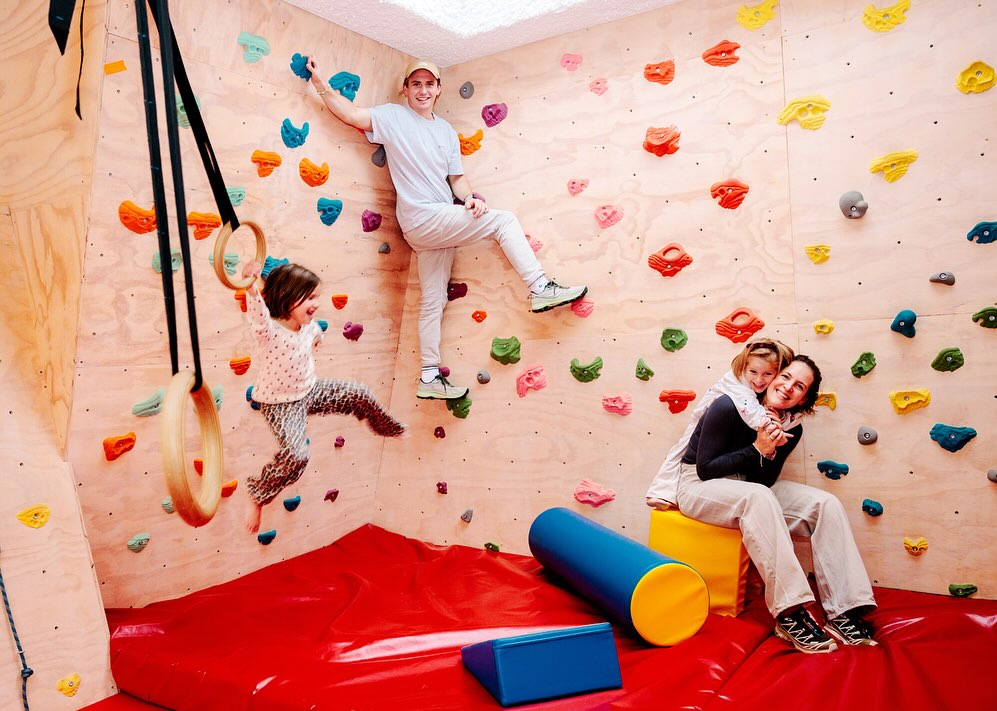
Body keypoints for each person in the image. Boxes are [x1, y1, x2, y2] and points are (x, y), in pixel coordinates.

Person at [306, 56, 588, 400]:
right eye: (416, 84)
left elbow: (456, 178)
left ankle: (428, 375)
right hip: (422, 217)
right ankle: (540, 287)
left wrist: (469, 198)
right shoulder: (393, 117)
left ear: (438, 90)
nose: (422, 90)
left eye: (429, 84)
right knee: (503, 221)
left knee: (433, 301)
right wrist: (320, 83)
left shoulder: (446, 132)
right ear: (405, 89)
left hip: (438, 224)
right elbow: (350, 114)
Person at [674, 356, 877, 653]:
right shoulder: (729, 404)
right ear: (773, 375)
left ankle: (844, 610)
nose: (787, 387)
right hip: (698, 486)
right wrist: (757, 446)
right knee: (757, 497)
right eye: (785, 377)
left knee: (825, 504)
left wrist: (770, 446)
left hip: (747, 485)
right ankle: (789, 612)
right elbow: (706, 468)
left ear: (804, 397)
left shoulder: (791, 426)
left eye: (799, 386)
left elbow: (762, 480)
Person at [242, 260, 405, 533]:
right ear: (287, 297)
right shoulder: (270, 332)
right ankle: (257, 494)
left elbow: (315, 333)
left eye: (317, 296)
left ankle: (386, 426)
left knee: (359, 394)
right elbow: (258, 314)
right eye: (309, 297)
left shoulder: (308, 325)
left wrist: (316, 338)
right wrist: (250, 285)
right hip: (280, 404)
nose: (316, 303)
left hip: (310, 391)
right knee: (297, 455)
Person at [645, 338, 796, 510]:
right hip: (706, 415)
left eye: (768, 374)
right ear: (744, 367)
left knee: (679, 449)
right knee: (679, 450)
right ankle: (661, 492)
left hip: (719, 437)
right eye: (753, 372)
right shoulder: (739, 386)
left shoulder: (750, 381)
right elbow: (752, 415)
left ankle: (662, 491)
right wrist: (775, 431)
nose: (759, 380)